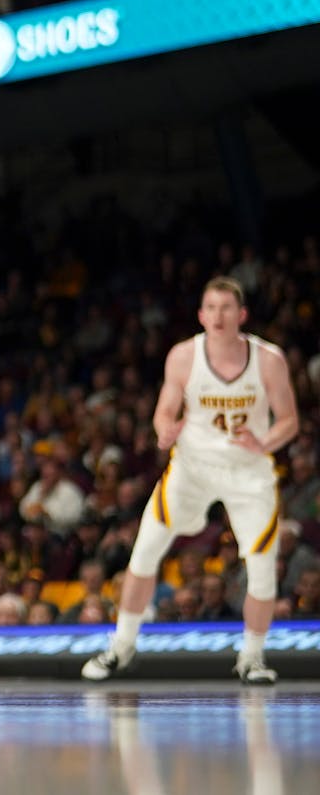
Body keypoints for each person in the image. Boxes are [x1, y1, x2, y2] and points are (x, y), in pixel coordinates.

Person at [83, 276, 298, 684]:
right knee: (143, 554)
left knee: (263, 569)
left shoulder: (269, 359)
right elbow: (164, 410)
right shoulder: (183, 356)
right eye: (211, 308)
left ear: (242, 314)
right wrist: (164, 429)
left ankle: (251, 657)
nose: (218, 316)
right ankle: (122, 646)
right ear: (201, 315)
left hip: (248, 470)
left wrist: (264, 440)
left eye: (226, 308)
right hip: (192, 467)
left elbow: (289, 420)